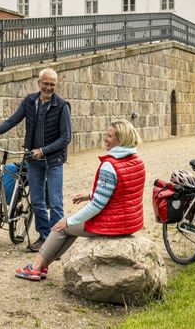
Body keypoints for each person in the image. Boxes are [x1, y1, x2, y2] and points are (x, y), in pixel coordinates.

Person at [14, 119, 145, 281]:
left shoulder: (110, 165)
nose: (105, 138)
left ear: (121, 139)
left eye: (109, 136)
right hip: (130, 223)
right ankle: (43, 266)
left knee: (61, 226)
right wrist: (89, 195)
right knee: (69, 226)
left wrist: (70, 221)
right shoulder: (136, 161)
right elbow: (122, 193)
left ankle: (35, 267)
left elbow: (97, 206)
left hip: (113, 225)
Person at [0, 67, 71, 251]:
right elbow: (12, 121)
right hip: (33, 160)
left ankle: (57, 243)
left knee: (55, 201)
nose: (49, 87)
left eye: (52, 84)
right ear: (39, 83)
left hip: (53, 161)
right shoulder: (30, 101)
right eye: (45, 83)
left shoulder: (62, 105)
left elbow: (66, 137)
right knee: (37, 201)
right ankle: (44, 237)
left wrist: (43, 151)